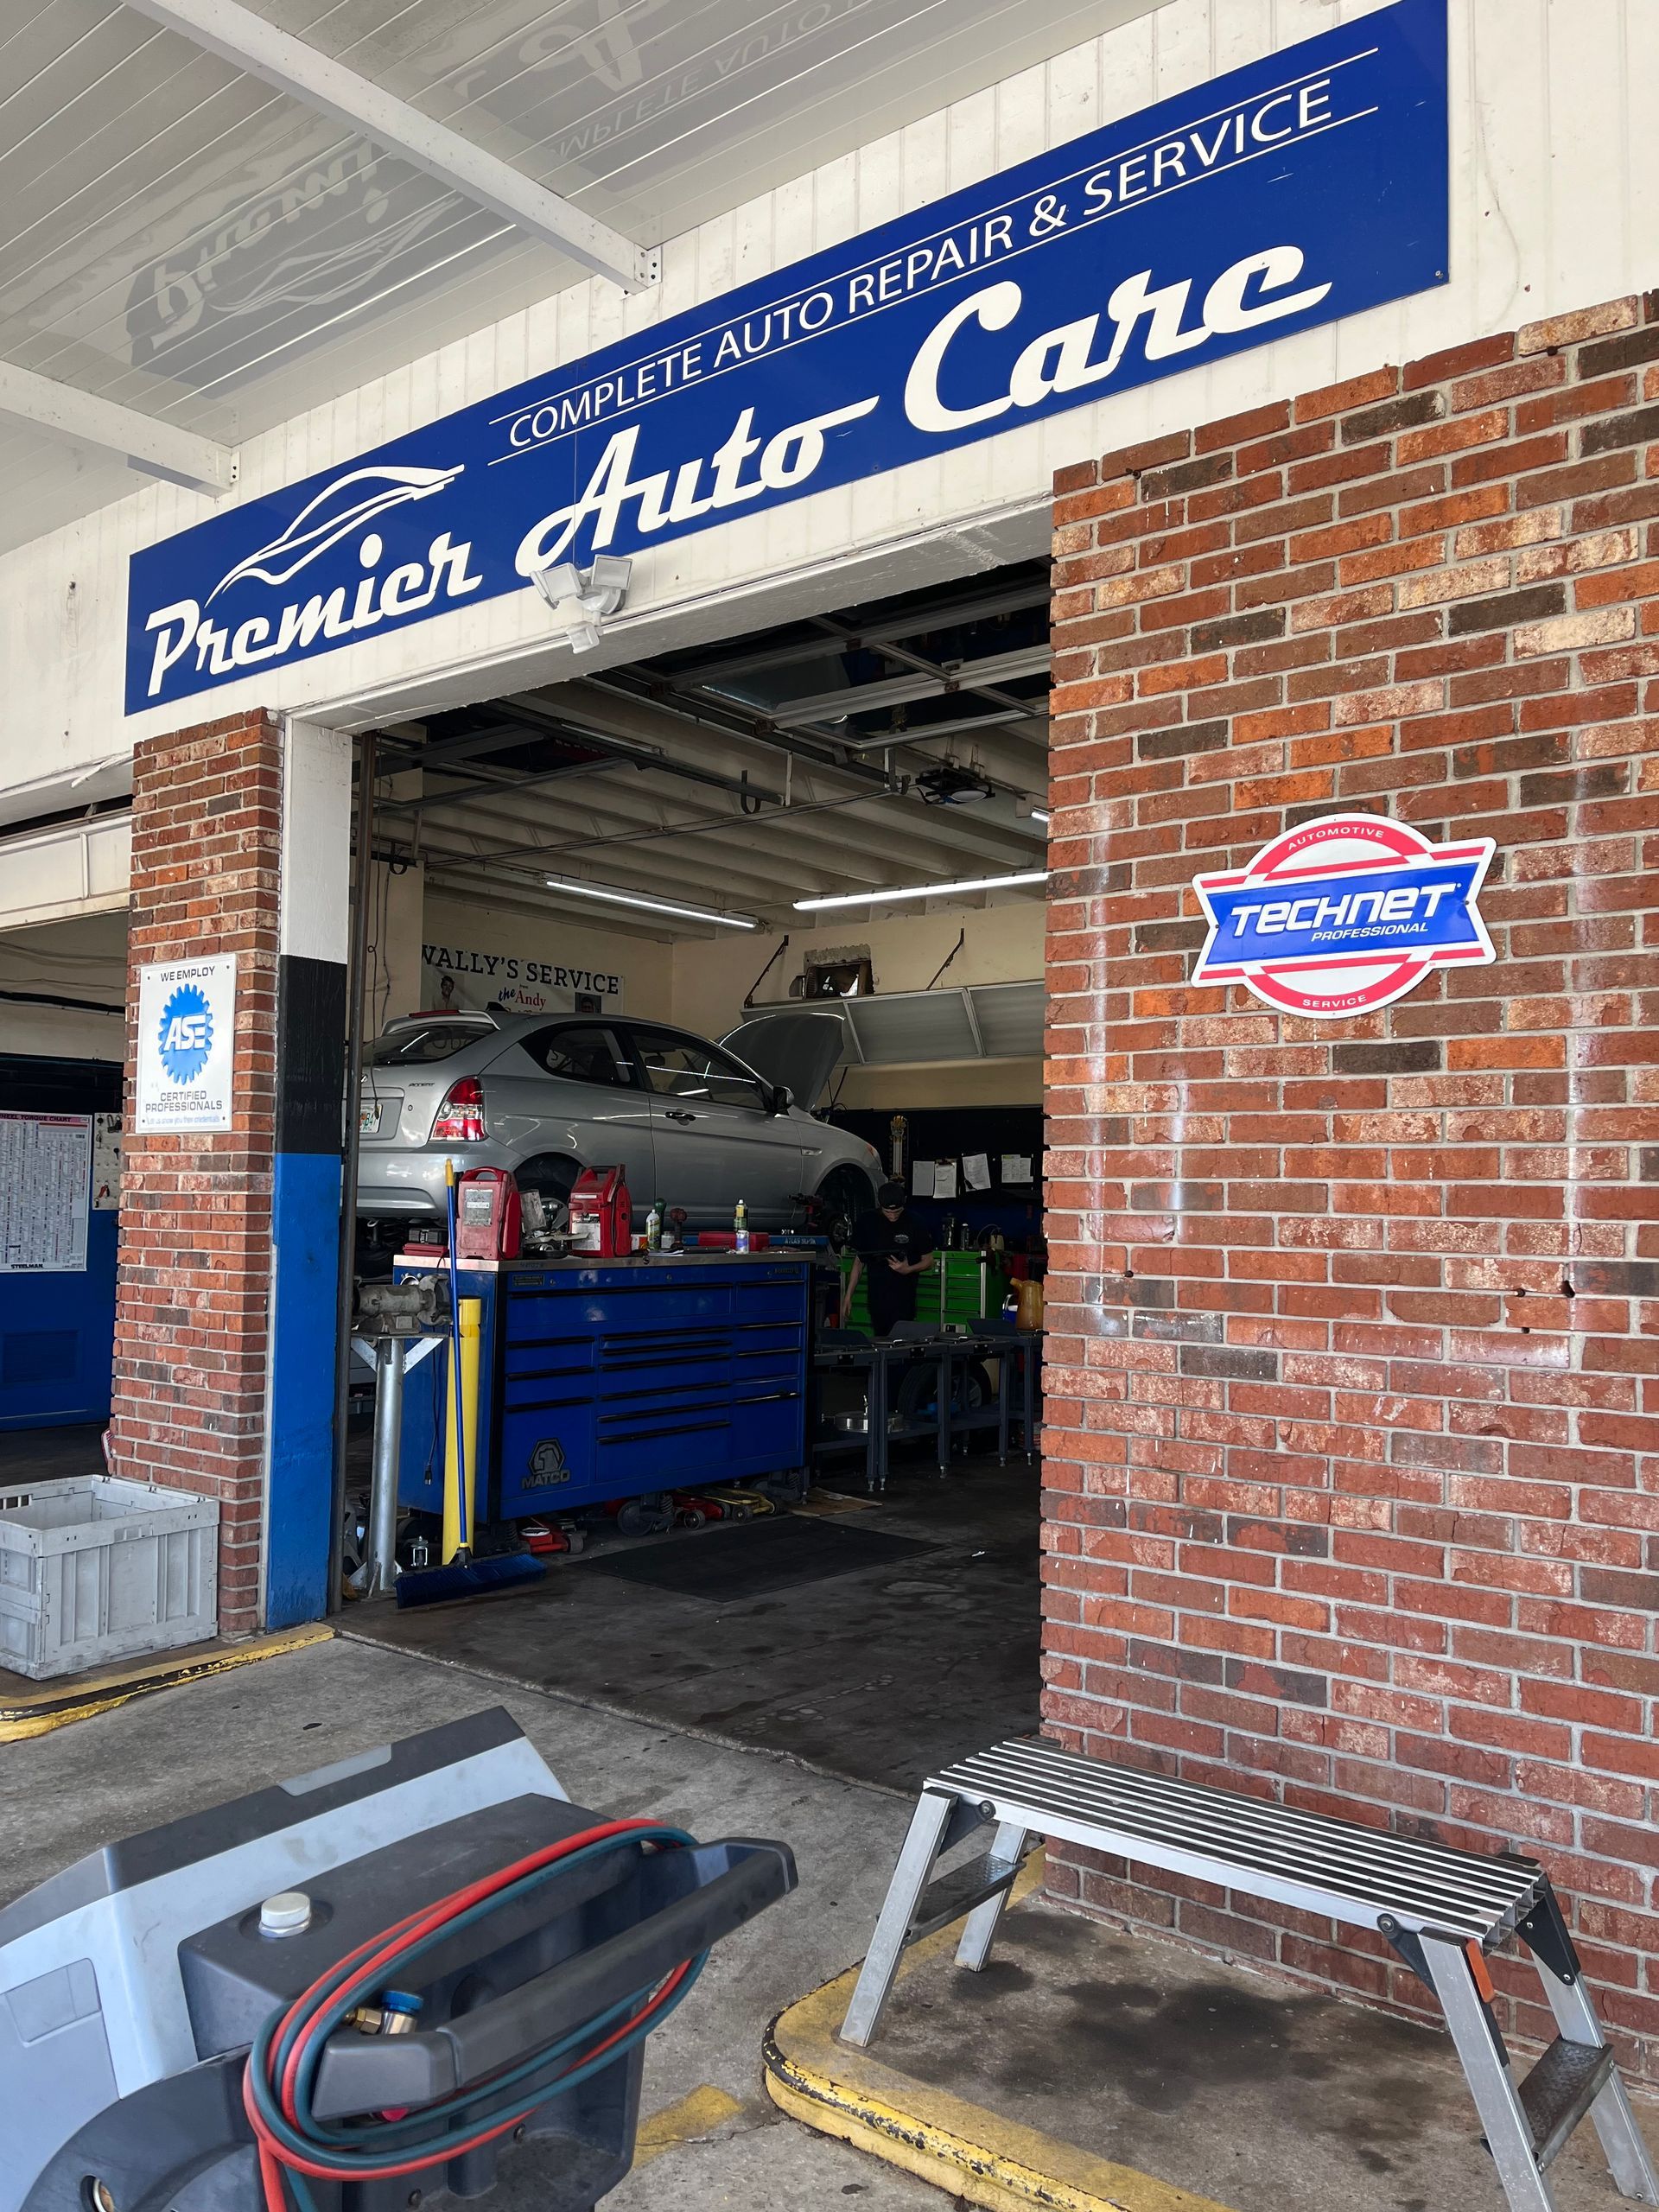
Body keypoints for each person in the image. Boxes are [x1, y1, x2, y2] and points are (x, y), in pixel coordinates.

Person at [842, 1180, 936, 1336]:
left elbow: (929, 1260)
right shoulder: (867, 1221)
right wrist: (848, 1296)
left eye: (897, 1212)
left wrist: (907, 1269)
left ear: (904, 1204)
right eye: (888, 1212)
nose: (892, 1216)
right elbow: (859, 1262)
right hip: (877, 1299)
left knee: (901, 1344)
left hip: (904, 1300)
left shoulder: (915, 1222)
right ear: (880, 1205)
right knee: (881, 1342)